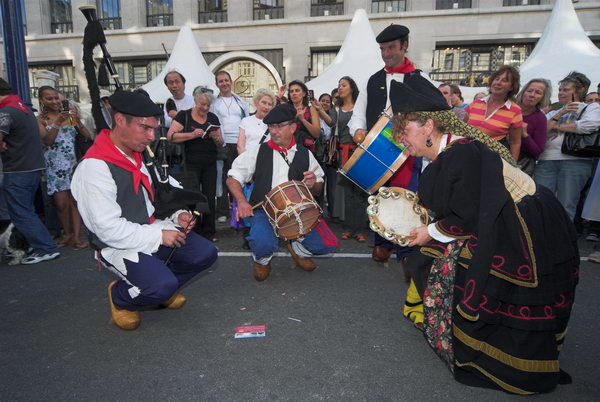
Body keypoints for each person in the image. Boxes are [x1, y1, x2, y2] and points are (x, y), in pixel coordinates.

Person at [390, 79, 579, 394]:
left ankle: (509, 365)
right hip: (503, 217)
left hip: (525, 223)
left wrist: (429, 232)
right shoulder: (447, 150)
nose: (399, 140)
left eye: (403, 131)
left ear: (427, 126)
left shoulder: (459, 153)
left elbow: (470, 216)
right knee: (438, 262)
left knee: (501, 288)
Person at [71, 91, 218, 330]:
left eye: (154, 129)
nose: (151, 137)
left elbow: (164, 192)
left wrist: (177, 213)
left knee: (205, 253)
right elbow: (106, 229)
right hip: (117, 244)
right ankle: (122, 297)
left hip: (150, 228)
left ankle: (159, 287)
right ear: (120, 121)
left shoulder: (139, 154)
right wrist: (159, 235)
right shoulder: (94, 168)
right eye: (145, 128)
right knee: (160, 285)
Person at [226, 104, 338, 281]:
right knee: (262, 243)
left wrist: (313, 183)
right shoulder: (258, 151)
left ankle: (297, 247)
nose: (274, 131)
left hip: (298, 211)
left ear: (293, 127)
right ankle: (262, 259)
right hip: (265, 211)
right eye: (271, 127)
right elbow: (233, 177)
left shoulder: (305, 154)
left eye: (279, 126)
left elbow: (319, 187)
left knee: (326, 245)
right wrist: (241, 201)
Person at [346, 24, 425, 265]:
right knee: (379, 199)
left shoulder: (421, 79)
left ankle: (405, 249)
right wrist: (357, 129)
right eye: (382, 49)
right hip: (377, 150)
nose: (386, 54)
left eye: (391, 48)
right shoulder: (373, 80)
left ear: (405, 46)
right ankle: (382, 242)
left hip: (408, 154)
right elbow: (358, 114)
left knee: (405, 201)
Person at [0, 78, 60, 264]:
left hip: (19, 169)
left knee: (22, 212)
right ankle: (37, 244)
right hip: (31, 166)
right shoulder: (22, 108)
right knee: (25, 211)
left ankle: (46, 248)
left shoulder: (6, 112)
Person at [535, 71, 600, 221]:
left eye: (566, 89)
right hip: (546, 160)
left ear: (578, 91)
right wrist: (560, 114)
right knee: (541, 202)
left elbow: (589, 125)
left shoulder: (590, 108)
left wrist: (557, 127)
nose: (561, 93)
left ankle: (563, 242)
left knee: (566, 205)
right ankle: (542, 241)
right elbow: (541, 131)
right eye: (560, 90)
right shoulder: (556, 111)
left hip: (575, 161)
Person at [37, 86, 92, 248]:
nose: (54, 101)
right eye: (49, 98)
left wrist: (77, 122)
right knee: (61, 204)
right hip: (54, 167)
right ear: (42, 100)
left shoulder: (69, 116)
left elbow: (87, 136)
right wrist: (58, 123)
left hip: (74, 164)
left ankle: (76, 236)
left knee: (75, 202)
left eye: (56, 98)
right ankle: (66, 233)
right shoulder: (40, 119)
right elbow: (47, 141)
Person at [167, 90, 223, 242]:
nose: (205, 108)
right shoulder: (183, 115)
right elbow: (170, 136)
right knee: (193, 196)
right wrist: (192, 135)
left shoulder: (212, 117)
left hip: (209, 163)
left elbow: (221, 142)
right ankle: (194, 230)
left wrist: (216, 138)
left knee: (209, 197)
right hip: (190, 163)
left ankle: (209, 231)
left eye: (208, 105)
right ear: (195, 101)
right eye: (202, 104)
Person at [211, 70, 250, 223]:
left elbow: (247, 121)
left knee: (240, 176)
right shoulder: (214, 103)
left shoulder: (240, 102)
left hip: (239, 143)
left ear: (231, 82)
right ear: (217, 84)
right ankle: (222, 211)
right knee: (222, 177)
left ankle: (240, 207)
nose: (224, 83)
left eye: (226, 80)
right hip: (222, 144)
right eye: (220, 81)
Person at [465, 65, 523, 161]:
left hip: (492, 160)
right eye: (497, 79)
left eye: (504, 80)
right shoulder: (475, 104)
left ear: (512, 87)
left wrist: (513, 166)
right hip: (468, 155)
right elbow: (460, 125)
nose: (498, 83)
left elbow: (515, 142)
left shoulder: (515, 111)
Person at [334, 76, 367, 243]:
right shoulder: (337, 109)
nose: (340, 88)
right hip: (344, 153)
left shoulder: (361, 109)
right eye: (339, 85)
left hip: (360, 152)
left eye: (343, 85)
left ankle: (360, 229)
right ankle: (348, 227)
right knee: (347, 193)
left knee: (361, 192)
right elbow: (331, 127)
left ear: (352, 88)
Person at [514, 79, 551, 176]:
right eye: (529, 91)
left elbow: (537, 151)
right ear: (523, 92)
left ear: (543, 98)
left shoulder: (540, 118)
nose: (532, 95)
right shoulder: (509, 109)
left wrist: (525, 135)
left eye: (538, 93)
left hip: (519, 166)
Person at [237, 89, 275, 154]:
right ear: (256, 103)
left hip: (266, 160)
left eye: (269, 104)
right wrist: (245, 160)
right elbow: (240, 145)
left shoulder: (274, 124)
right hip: (247, 160)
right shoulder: (245, 121)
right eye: (264, 102)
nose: (266, 107)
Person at [288, 80, 320, 153]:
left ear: (304, 94)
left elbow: (317, 134)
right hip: (289, 150)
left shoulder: (311, 109)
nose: (294, 93)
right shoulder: (286, 110)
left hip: (306, 151)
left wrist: (303, 120)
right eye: (291, 91)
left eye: (297, 90)